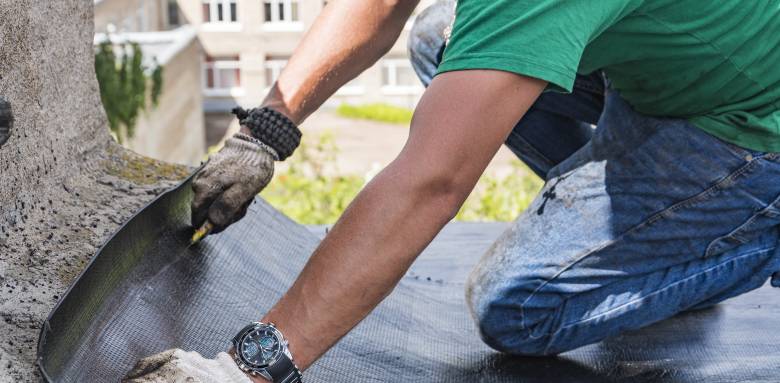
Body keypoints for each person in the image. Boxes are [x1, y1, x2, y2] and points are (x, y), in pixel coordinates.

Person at [125, 0, 780, 381]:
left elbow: (434, 181)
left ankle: (732, 228)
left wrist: (253, 364)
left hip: (747, 128)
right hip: (675, 66)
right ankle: (650, 216)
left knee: (518, 304)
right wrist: (265, 132)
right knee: (443, 36)